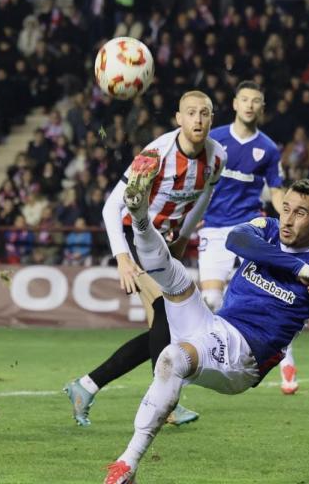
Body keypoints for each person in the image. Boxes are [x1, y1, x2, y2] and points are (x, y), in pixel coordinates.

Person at [103, 179, 309, 484]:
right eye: (285, 208)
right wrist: (297, 268)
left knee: (173, 358)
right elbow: (236, 239)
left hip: (244, 357)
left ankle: (126, 464)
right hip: (214, 326)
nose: (288, 220)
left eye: (300, 213)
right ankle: (140, 217)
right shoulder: (269, 228)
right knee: (173, 273)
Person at [64, 90, 226, 427]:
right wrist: (123, 257)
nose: (198, 119)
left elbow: (203, 200)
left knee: (164, 329)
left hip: (164, 244)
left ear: (212, 119)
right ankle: (164, 403)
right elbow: (112, 206)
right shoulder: (155, 155)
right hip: (136, 237)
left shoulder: (216, 157)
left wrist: (182, 238)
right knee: (168, 321)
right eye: (191, 113)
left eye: (205, 113)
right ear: (178, 119)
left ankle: (87, 386)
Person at [196, 81, 293, 392]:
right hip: (213, 227)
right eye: (245, 99)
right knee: (211, 300)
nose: (250, 105)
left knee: (267, 298)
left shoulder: (268, 148)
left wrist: (288, 217)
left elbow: (276, 190)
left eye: (256, 101)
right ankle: (220, 357)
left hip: (249, 229)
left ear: (261, 109)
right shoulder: (215, 139)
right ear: (235, 103)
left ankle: (286, 360)